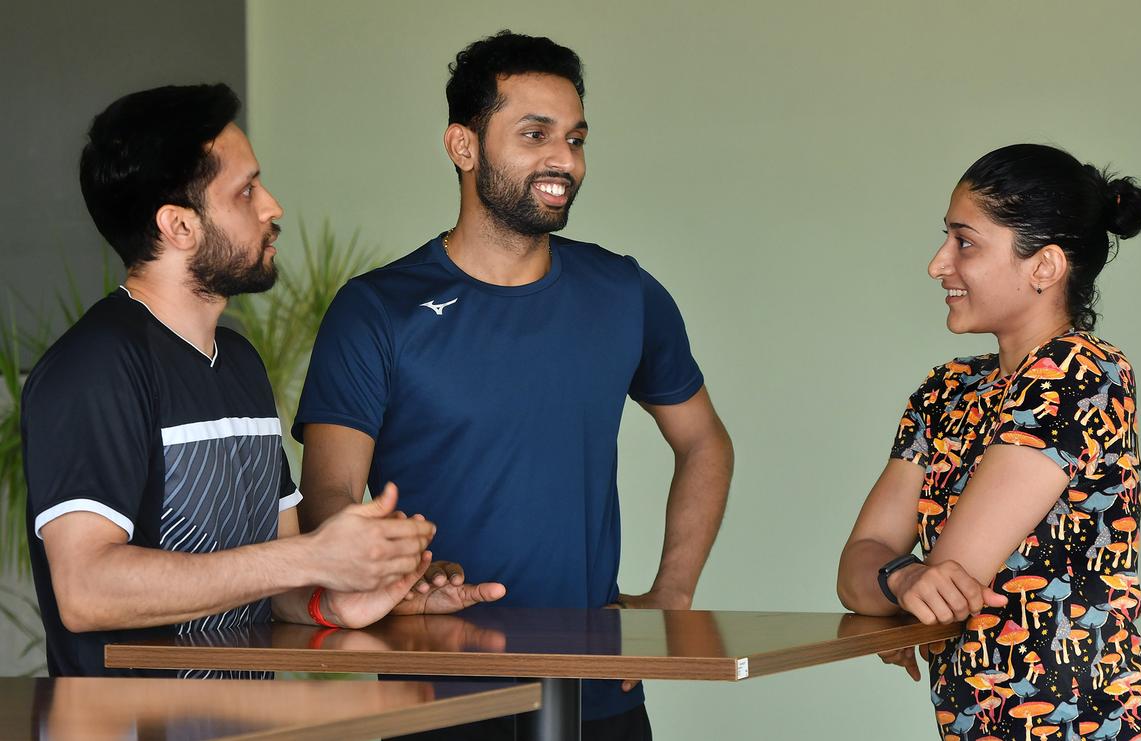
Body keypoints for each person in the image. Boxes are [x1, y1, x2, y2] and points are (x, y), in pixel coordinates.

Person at [294, 31, 734, 738]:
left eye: (576, 137)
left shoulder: (623, 292)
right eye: (535, 134)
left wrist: (670, 595)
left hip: (599, 700)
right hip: (433, 700)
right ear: (463, 146)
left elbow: (704, 440)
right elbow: (329, 497)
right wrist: (392, 579)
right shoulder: (376, 309)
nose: (565, 159)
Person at [22, 83, 501, 678]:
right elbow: (86, 591)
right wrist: (307, 555)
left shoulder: (241, 363)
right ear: (178, 226)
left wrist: (346, 602)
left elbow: (273, 587)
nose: (271, 206)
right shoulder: (95, 367)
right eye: (245, 191)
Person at [837, 144, 1141, 740]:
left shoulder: (1082, 374)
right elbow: (861, 558)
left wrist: (900, 582)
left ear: (1044, 267)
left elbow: (953, 575)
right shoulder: (945, 390)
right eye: (946, 239)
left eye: (965, 242)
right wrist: (903, 582)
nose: (938, 264)